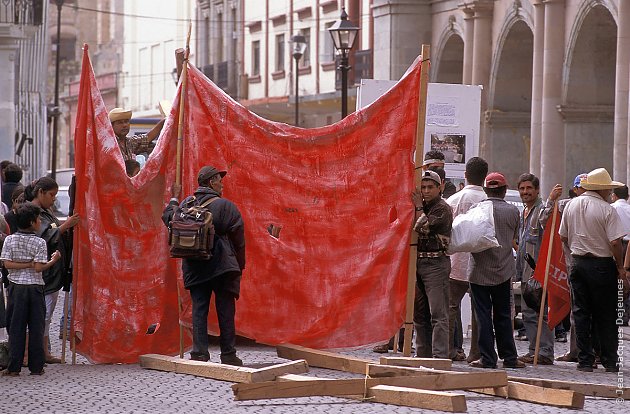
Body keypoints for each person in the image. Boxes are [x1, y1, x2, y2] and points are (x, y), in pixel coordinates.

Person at [162, 166, 246, 365]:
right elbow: (239, 239)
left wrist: (174, 198)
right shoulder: (226, 206)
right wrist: (239, 266)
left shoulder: (185, 205)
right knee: (225, 309)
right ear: (211, 182)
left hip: (195, 265)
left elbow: (168, 218)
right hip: (223, 265)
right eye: (219, 180)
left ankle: (199, 353)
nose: (222, 184)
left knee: (199, 309)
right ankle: (228, 354)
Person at [559, 168, 626, 373]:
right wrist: (621, 267)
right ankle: (609, 359)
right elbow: (615, 242)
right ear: (604, 189)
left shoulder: (571, 205)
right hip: (601, 264)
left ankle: (585, 359)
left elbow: (563, 236)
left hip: (578, 263)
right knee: (605, 313)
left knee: (581, 312)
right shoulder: (607, 209)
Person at [468, 172, 525, 369]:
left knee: (482, 316)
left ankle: (487, 358)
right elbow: (515, 237)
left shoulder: (477, 209)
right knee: (503, 315)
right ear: (503, 190)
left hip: (479, 270)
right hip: (503, 269)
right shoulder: (513, 212)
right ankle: (509, 358)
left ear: (485, 190)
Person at [24, 178, 80, 364]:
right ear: (40, 192)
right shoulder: (33, 212)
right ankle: (33, 352)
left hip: (52, 270)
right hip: (43, 271)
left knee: (46, 315)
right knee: (42, 314)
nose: (53, 199)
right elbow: (44, 235)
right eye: (51, 195)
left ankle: (43, 351)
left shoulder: (46, 212)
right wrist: (66, 225)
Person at [1, 203, 61, 376]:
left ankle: (14, 367)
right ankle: (36, 366)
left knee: (16, 327)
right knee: (36, 326)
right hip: (35, 288)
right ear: (33, 222)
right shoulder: (39, 242)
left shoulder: (10, 239)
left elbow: (6, 263)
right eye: (38, 219)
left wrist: (23, 265)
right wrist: (53, 260)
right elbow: (38, 268)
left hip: (16, 288)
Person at [540, 173, 587, 362]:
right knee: (576, 310)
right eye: (582, 188)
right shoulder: (565, 204)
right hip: (567, 261)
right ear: (575, 189)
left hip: (590, 262)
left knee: (585, 311)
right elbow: (545, 222)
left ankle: (588, 351)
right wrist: (551, 200)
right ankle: (576, 351)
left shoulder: (600, 206)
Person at [446, 157, 488, 363]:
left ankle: (447, 349)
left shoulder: (453, 200)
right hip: (481, 263)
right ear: (485, 177)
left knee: (450, 308)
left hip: (455, 262)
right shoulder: (488, 201)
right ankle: (476, 352)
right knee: (478, 310)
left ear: (465, 175)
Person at [411, 169, 453, 358]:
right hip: (418, 261)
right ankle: (422, 353)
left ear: (439, 188)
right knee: (419, 314)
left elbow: (422, 227)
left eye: (430, 187)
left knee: (438, 312)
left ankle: (440, 356)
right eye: (423, 187)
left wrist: (419, 206)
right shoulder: (421, 206)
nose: (426, 191)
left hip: (436, 263)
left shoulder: (442, 208)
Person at [515, 173, 554, 365]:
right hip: (525, 270)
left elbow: (546, 221)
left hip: (537, 270)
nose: (525, 192)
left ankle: (544, 351)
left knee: (539, 312)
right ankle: (534, 349)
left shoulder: (539, 210)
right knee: (528, 312)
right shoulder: (524, 211)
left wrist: (551, 200)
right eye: (522, 189)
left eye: (529, 188)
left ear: (537, 190)